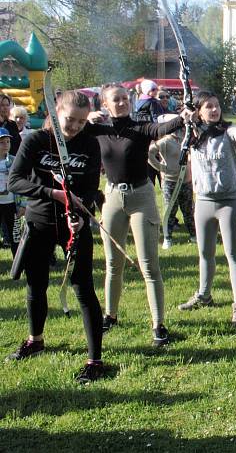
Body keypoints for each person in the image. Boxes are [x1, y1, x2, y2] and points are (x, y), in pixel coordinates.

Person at [7, 91, 106, 383]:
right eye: (69, 119)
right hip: (39, 221)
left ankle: (94, 361)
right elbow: (15, 180)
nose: (74, 126)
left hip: (73, 223)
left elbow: (90, 187)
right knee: (36, 284)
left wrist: (80, 213)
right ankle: (35, 340)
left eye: (81, 121)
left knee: (83, 288)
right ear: (56, 111)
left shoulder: (89, 144)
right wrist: (52, 193)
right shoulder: (36, 140)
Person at [84, 85, 188, 347]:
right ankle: (110, 315)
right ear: (105, 105)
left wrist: (186, 115)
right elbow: (67, 132)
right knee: (112, 264)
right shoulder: (98, 130)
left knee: (149, 266)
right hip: (112, 198)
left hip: (141, 197)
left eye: (123, 99)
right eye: (115, 100)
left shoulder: (140, 128)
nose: (121, 103)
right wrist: (87, 119)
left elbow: (161, 128)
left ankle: (158, 324)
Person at [177, 93, 236, 324]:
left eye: (217, 105)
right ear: (198, 111)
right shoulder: (193, 135)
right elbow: (168, 126)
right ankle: (204, 294)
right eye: (208, 106)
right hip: (203, 201)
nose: (214, 110)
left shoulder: (227, 132)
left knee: (233, 253)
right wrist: (185, 119)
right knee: (205, 253)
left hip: (228, 201)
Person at [147, 114, 197, 249]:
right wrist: (161, 167)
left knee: (188, 210)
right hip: (170, 182)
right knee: (170, 210)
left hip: (186, 181)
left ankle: (193, 235)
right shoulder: (165, 141)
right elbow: (150, 154)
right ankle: (168, 237)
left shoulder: (184, 139)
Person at [0, 128, 21, 254]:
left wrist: (22, 204)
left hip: (11, 203)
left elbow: (21, 182)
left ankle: (17, 264)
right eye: (2, 142)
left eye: (8, 142)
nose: (6, 145)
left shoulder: (14, 160)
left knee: (15, 235)